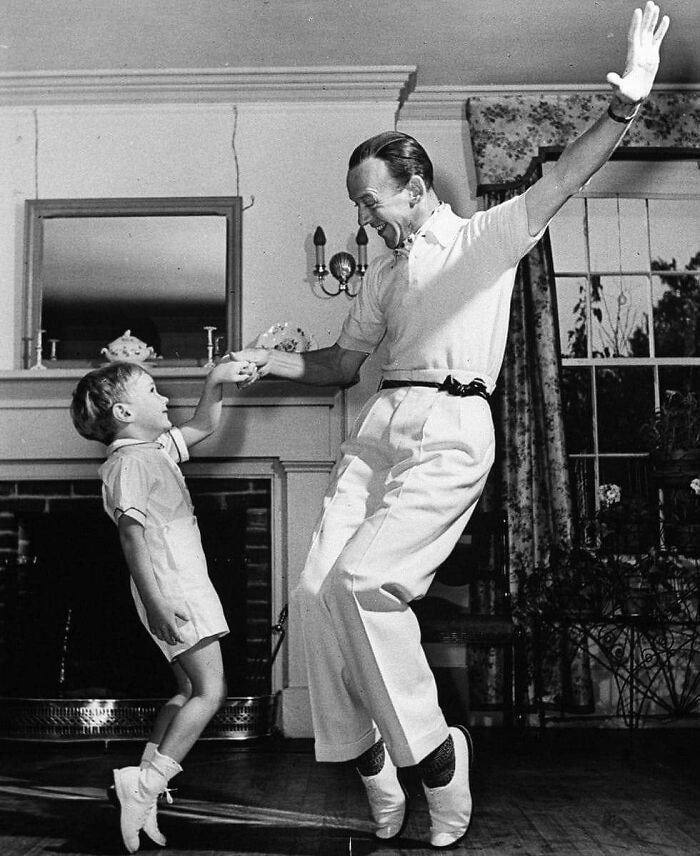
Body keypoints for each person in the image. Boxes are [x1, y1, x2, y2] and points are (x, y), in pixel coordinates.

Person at [229, 3, 669, 848]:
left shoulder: (482, 239)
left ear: (416, 188)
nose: (365, 221)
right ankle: (369, 762)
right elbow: (340, 365)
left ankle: (435, 759)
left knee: (366, 582)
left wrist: (626, 103)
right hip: (380, 424)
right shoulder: (382, 276)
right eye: (357, 208)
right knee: (315, 593)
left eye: (371, 203)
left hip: (452, 424)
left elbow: (560, 181)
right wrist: (265, 361)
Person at [70, 357, 254, 854]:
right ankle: (145, 785)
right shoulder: (131, 464)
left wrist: (216, 381)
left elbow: (204, 424)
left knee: (187, 689)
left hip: (178, 586)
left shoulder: (152, 451)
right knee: (211, 692)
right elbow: (131, 537)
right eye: (153, 391)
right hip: (173, 589)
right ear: (124, 412)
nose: (166, 397)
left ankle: (142, 790)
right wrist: (156, 604)